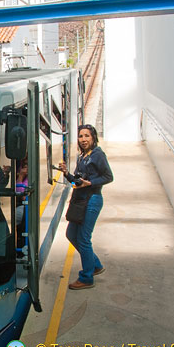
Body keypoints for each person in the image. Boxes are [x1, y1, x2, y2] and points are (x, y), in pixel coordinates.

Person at [60, 124, 113, 290]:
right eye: (81, 136)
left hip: (92, 201)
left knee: (83, 239)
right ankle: (95, 264)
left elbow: (108, 176)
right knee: (71, 234)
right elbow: (77, 180)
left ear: (93, 137)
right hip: (80, 201)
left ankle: (87, 277)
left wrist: (91, 183)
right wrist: (66, 173)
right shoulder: (82, 156)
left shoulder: (98, 155)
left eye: (86, 136)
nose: (83, 139)